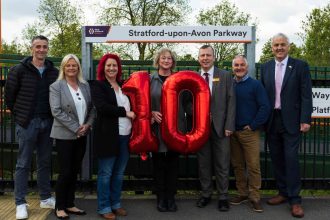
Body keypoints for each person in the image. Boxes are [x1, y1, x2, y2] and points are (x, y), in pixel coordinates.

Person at [4, 35, 58, 220]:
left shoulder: (53, 71)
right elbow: (10, 96)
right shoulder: (18, 70)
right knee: (23, 164)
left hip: (47, 122)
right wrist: (21, 116)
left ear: (47, 49)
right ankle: (20, 202)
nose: (41, 50)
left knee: (44, 162)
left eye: (44, 46)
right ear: (31, 48)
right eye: (38, 46)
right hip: (28, 123)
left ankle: (45, 197)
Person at [260, 33, 313, 218]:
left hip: (291, 120)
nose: (279, 48)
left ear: (288, 46)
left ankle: (295, 200)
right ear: (272, 48)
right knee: (277, 159)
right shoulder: (265, 67)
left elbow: (306, 94)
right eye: (276, 45)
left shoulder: (300, 66)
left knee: (291, 159)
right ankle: (282, 193)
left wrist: (305, 119)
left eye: (282, 44)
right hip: (272, 120)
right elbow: (262, 96)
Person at [49, 54, 96, 219]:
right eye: (68, 65)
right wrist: (76, 128)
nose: (71, 68)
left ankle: (70, 203)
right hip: (65, 135)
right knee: (65, 171)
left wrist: (88, 125)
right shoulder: (56, 86)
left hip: (82, 134)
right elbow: (56, 111)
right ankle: (59, 206)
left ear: (78, 68)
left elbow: (92, 109)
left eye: (74, 65)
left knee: (75, 170)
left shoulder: (84, 86)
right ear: (63, 67)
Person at [90, 53, 136, 220]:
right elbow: (102, 107)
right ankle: (104, 207)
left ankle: (116, 204)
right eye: (108, 65)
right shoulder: (98, 85)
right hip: (108, 136)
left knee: (119, 173)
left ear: (118, 68)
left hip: (125, 135)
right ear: (103, 67)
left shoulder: (124, 85)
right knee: (106, 173)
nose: (111, 68)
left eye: (114, 65)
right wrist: (126, 112)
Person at [195, 45, 235, 211]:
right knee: (204, 164)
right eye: (202, 55)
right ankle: (206, 194)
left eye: (208, 55)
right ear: (198, 58)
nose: (205, 58)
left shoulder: (225, 75)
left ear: (214, 57)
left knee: (222, 164)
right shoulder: (194, 77)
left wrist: (229, 125)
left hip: (221, 128)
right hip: (200, 130)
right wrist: (196, 113)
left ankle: (223, 197)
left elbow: (231, 101)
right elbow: (187, 102)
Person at [150, 48, 190, 212]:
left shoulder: (179, 79)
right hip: (157, 129)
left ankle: (171, 197)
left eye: (169, 58)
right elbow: (142, 102)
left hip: (176, 129)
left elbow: (188, 103)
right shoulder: (150, 80)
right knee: (158, 164)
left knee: (173, 164)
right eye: (163, 58)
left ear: (173, 62)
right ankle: (160, 198)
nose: (166, 61)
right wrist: (150, 113)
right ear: (158, 60)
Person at [229, 55, 270, 213]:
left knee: (253, 166)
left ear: (246, 67)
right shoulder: (229, 84)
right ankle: (242, 193)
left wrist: (253, 125)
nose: (239, 68)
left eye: (242, 65)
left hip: (249, 133)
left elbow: (265, 107)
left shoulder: (255, 85)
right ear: (233, 68)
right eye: (236, 65)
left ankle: (255, 197)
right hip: (232, 132)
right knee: (238, 165)